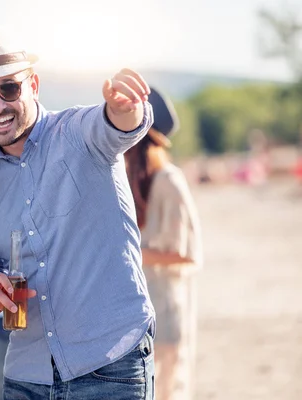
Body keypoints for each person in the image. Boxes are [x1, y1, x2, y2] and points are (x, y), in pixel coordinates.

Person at [0, 26, 156, 400]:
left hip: (110, 365)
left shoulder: (78, 133)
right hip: (26, 376)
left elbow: (119, 125)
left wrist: (126, 107)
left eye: (9, 89)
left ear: (33, 85)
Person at [124, 88, 203, 400]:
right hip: (132, 320)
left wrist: (131, 254)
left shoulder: (169, 180)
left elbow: (188, 256)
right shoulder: (124, 179)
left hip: (165, 318)